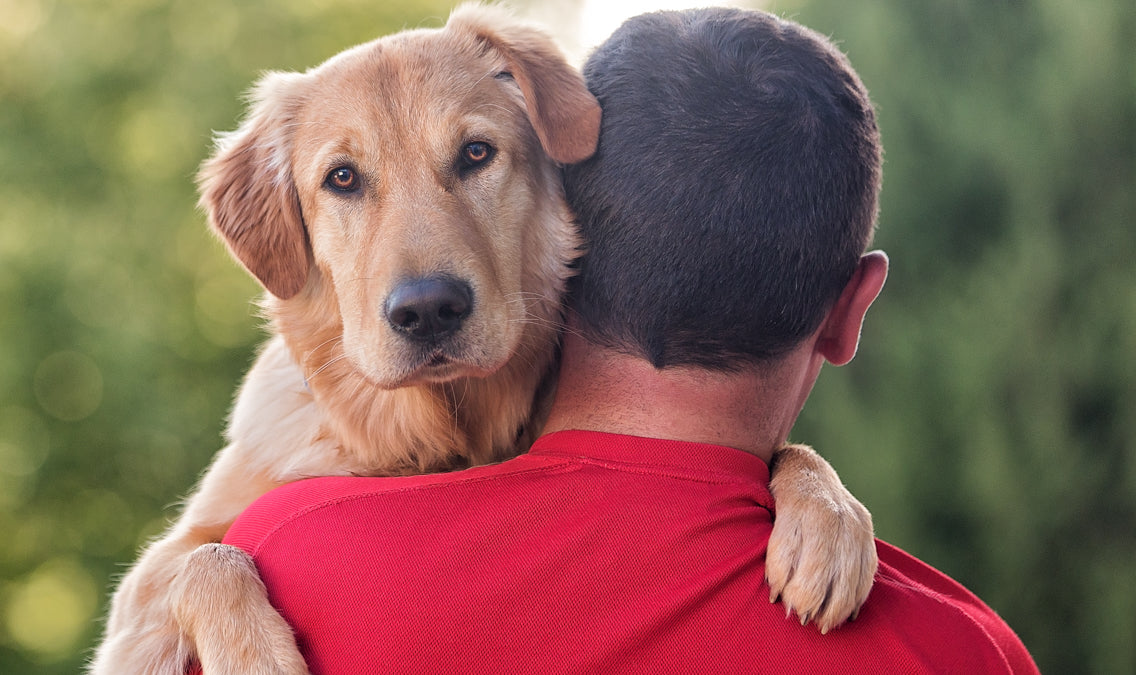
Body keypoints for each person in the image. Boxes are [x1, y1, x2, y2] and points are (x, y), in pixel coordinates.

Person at [221, 8, 1038, 673]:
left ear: (574, 228)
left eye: (475, 158)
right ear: (851, 308)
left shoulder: (288, 556)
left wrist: (804, 475)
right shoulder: (961, 648)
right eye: (346, 181)